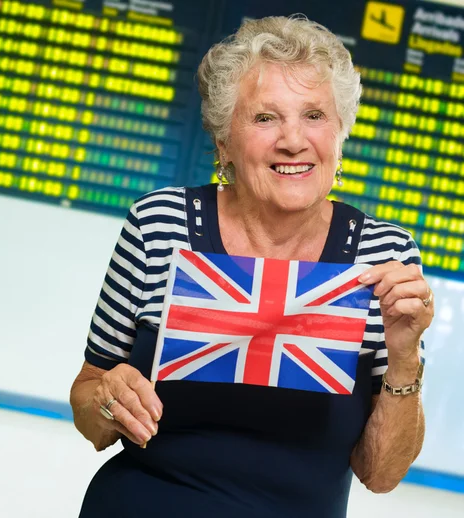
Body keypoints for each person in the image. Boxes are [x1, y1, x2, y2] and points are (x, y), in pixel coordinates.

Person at [70, 15, 434, 518]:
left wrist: (404, 352)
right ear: (224, 144)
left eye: (314, 115)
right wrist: (107, 399)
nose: (292, 140)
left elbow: (382, 475)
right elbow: (88, 408)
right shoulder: (161, 225)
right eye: (265, 118)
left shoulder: (382, 255)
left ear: (339, 136)